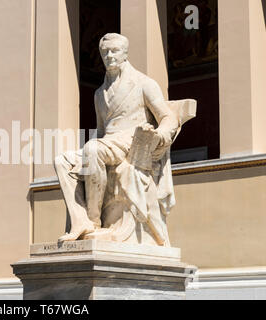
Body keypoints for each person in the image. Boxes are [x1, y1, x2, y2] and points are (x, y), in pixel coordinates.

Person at [54, 33, 179, 244]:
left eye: (114, 51)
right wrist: (86, 157)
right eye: (105, 52)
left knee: (92, 149)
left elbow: (167, 117)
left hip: (131, 142)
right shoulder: (99, 93)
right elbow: (101, 131)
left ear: (125, 54)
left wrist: (159, 135)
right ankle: (80, 220)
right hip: (108, 143)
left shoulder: (143, 83)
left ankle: (93, 222)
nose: (109, 56)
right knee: (62, 161)